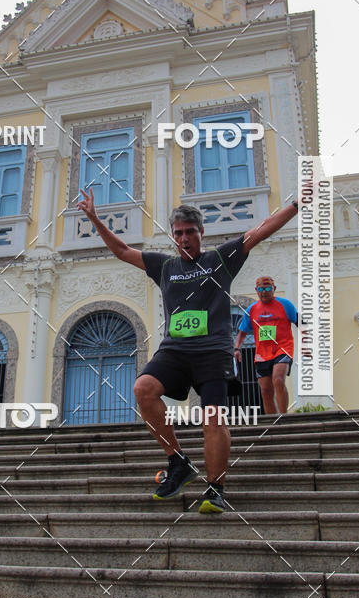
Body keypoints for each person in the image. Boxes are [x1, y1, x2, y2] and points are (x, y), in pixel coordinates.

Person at [77, 188, 301, 513]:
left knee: (213, 418)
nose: (184, 238)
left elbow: (260, 230)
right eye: (178, 233)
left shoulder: (220, 258)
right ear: (173, 236)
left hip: (213, 352)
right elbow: (123, 251)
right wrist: (94, 218)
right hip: (175, 351)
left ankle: (215, 489)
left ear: (201, 233)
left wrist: (296, 204)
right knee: (143, 388)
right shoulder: (164, 266)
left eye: (190, 232)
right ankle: (178, 462)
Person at [234, 277, 298, 415]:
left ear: (274, 289)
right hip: (262, 354)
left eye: (268, 288)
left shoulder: (285, 305)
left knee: (278, 379)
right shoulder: (252, 309)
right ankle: (273, 423)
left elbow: (302, 323)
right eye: (261, 289)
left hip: (283, 348)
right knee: (265, 391)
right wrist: (237, 348)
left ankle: (284, 417)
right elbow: (242, 333)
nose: (264, 292)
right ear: (256, 291)